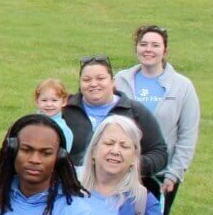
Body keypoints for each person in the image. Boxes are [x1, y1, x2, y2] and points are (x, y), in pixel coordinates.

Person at [115, 25, 199, 215]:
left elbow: (188, 134)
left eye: (155, 45)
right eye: (143, 44)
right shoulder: (120, 80)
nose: (148, 50)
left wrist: (174, 173)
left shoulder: (182, 86)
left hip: (160, 173)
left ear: (165, 50)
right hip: (120, 169)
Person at [60, 57, 167, 188]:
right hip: (71, 190)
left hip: (122, 192)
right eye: (87, 80)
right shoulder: (63, 110)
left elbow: (159, 152)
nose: (93, 84)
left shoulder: (135, 112)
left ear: (112, 82)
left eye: (100, 78)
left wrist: (129, 165)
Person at [33, 79, 75, 151]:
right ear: (37, 102)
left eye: (54, 100)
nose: (49, 104)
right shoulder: (30, 122)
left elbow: (64, 153)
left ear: (64, 102)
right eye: (44, 100)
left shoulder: (62, 129)